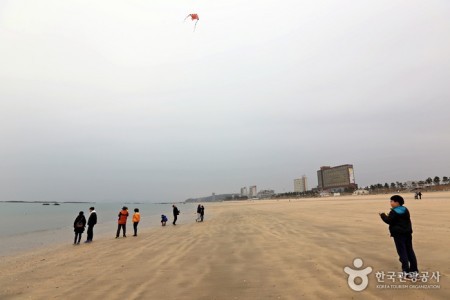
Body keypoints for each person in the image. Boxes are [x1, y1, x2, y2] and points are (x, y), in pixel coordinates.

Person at [379, 195, 419, 278]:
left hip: (399, 234)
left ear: (397, 202)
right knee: (410, 251)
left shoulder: (394, 212)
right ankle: (414, 271)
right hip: (407, 233)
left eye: (392, 201)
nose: (390, 203)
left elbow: (388, 221)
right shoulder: (405, 209)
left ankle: (406, 271)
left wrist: (382, 215)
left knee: (402, 252)